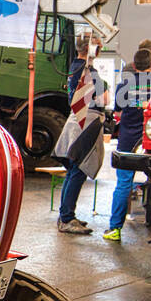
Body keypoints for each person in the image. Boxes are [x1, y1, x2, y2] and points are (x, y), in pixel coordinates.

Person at [105, 47, 151, 242]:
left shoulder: (125, 85)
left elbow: (118, 110)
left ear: (134, 65)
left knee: (123, 184)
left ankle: (115, 229)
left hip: (128, 141)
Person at [54, 34, 105, 235]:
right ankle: (66, 219)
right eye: (99, 47)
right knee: (78, 171)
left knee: (74, 171)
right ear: (92, 49)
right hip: (85, 124)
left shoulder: (76, 67)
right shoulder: (87, 70)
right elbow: (102, 98)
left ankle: (66, 215)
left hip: (79, 122)